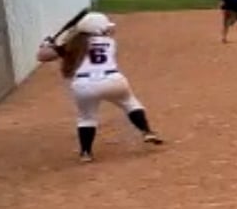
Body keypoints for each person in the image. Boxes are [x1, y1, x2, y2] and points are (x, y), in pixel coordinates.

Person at [36, 12, 164, 163]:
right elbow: (96, 38)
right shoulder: (109, 42)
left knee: (86, 118)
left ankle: (86, 153)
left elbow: (43, 56)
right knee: (130, 103)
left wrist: (47, 45)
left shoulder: (72, 45)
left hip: (84, 85)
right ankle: (147, 131)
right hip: (113, 80)